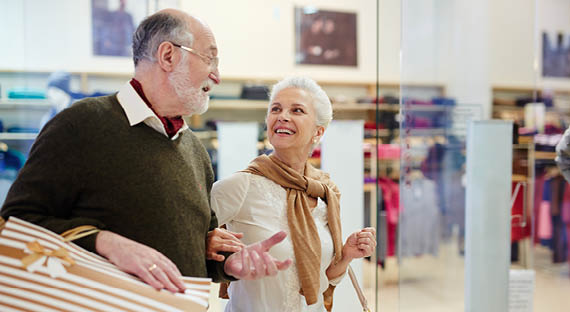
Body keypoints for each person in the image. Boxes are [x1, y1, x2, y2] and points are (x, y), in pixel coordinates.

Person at [1, 9, 291, 293]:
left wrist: (227, 265)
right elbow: (14, 223)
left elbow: (196, 248)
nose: (216, 76)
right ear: (168, 56)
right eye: (210, 58)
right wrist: (107, 243)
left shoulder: (194, 150)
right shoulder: (82, 124)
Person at [211, 76, 377, 311]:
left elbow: (324, 279)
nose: (282, 116)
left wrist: (347, 254)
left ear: (318, 131)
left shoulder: (323, 192)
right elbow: (185, 239)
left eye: (297, 110)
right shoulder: (241, 186)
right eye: (275, 109)